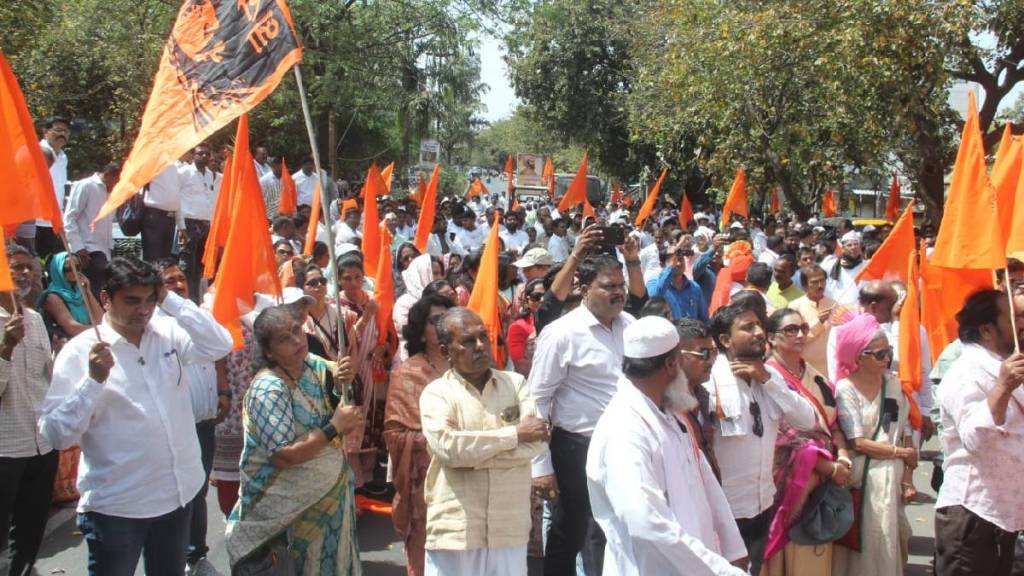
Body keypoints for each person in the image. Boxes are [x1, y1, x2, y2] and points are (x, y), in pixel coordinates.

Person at [39, 257, 234, 575]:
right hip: (118, 508)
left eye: (150, 300)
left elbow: (220, 343)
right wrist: (92, 382)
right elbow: (56, 434)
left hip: (177, 496)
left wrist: (169, 298)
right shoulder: (81, 352)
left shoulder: (167, 330)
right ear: (105, 299)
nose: (143, 310)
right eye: (132, 301)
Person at [587, 316, 748, 575]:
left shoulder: (670, 412)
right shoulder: (624, 429)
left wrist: (733, 549)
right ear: (672, 364)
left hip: (699, 561)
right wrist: (720, 570)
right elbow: (647, 523)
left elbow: (705, 481)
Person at [225, 304, 363, 575]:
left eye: (297, 330)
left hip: (330, 495)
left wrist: (344, 376)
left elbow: (338, 384)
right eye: (284, 339)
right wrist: (334, 427)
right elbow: (283, 455)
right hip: (287, 511)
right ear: (268, 351)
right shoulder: (269, 388)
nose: (297, 340)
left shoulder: (312, 364)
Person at [419, 308, 548, 575]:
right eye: (468, 341)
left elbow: (536, 443)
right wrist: (514, 435)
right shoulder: (437, 394)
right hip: (457, 529)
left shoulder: (516, 384)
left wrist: (473, 454)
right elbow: (449, 450)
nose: (480, 346)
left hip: (508, 526)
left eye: (483, 337)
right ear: (446, 351)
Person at [529, 253, 636, 576]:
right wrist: (540, 466)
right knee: (571, 531)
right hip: (577, 448)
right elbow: (537, 398)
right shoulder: (562, 333)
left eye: (621, 285)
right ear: (584, 287)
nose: (618, 292)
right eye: (608, 286)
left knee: (620, 529)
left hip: (626, 446)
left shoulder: (630, 326)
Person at [704, 301, 818, 576]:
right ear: (725, 340)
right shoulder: (708, 383)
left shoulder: (769, 378)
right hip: (722, 511)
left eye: (759, 325)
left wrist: (767, 379)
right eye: (747, 327)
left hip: (762, 505)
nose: (758, 332)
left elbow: (807, 419)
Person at [934, 290, 1024, 576]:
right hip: (973, 515)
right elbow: (976, 440)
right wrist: (1002, 387)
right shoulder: (966, 372)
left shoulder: (1004, 366)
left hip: (1004, 516)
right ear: (987, 329)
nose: (1021, 322)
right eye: (1014, 317)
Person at [152, 257, 230, 576]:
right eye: (169, 282)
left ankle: (196, 556)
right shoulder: (153, 323)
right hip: (173, 428)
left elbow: (219, 350)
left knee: (198, 491)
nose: (178, 285)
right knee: (177, 493)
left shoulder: (195, 315)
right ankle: (173, 557)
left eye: (181, 279)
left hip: (204, 421)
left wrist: (222, 392)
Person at [763, 308, 853, 576]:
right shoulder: (767, 379)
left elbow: (834, 424)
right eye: (790, 330)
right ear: (771, 338)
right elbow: (785, 439)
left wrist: (844, 457)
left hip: (823, 481)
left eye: (802, 328)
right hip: (789, 481)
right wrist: (830, 469)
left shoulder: (817, 377)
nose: (800, 334)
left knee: (815, 552)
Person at [831, 314, 915, 576]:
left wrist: (908, 480)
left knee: (891, 541)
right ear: (858, 356)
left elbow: (899, 431)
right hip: (863, 478)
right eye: (879, 354)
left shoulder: (892, 385)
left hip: (892, 475)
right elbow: (858, 442)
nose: (887, 359)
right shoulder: (846, 389)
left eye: (888, 352)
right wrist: (900, 453)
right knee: (864, 543)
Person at [384, 294, 455, 576]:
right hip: (427, 490)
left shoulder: (471, 368)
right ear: (421, 333)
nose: (442, 327)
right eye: (435, 321)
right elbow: (395, 433)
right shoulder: (408, 374)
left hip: (472, 481)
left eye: (447, 320)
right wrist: (446, 440)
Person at [0, 243, 58, 576]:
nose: (23, 273)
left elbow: (46, 381)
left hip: (40, 444)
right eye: (14, 267)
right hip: (5, 450)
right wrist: (5, 349)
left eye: (28, 267)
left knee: (30, 532)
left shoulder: (35, 319)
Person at [63, 161, 121, 298]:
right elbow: (69, 218)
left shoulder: (111, 192)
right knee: (94, 290)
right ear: (108, 175)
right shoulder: (86, 186)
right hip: (88, 249)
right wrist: (78, 248)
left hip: (105, 249)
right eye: (118, 181)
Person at [179, 143, 222, 302]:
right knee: (186, 264)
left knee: (199, 266)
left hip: (206, 224)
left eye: (206, 154)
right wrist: (180, 225)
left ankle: (195, 299)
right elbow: (176, 197)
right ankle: (185, 299)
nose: (204, 156)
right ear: (193, 155)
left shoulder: (211, 175)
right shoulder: (183, 173)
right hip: (188, 223)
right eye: (200, 153)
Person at [38, 251, 104, 342]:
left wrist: (88, 292)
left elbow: (100, 320)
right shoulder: (52, 296)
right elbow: (72, 328)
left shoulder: (81, 291)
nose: (74, 272)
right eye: (68, 269)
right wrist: (101, 331)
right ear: (57, 270)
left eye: (77, 267)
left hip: (92, 340)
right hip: (70, 344)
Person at [646, 235, 708, 322]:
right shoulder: (653, 283)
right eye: (673, 260)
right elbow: (656, 296)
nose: (678, 264)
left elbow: (704, 318)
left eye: (680, 259)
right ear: (662, 264)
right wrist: (670, 268)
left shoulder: (694, 287)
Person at [787, 264, 834, 377]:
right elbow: (792, 339)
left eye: (822, 281)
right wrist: (819, 323)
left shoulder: (834, 305)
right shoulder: (795, 306)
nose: (820, 285)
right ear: (804, 286)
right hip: (806, 369)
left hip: (831, 366)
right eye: (814, 282)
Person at [36, 116, 71, 258]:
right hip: (33, 220)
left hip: (53, 221)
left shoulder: (63, 157)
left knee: (49, 263)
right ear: (46, 132)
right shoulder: (37, 152)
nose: (62, 134)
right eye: (58, 130)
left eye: (66, 132)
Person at [142, 161, 188, 261]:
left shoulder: (175, 167)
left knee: (165, 261)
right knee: (153, 259)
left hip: (170, 219)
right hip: (154, 217)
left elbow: (176, 197)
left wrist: (181, 226)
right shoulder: (151, 164)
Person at [395, 253, 437, 360]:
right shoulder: (404, 303)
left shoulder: (442, 298)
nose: (439, 278)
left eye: (441, 273)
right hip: (411, 355)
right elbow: (407, 332)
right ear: (421, 274)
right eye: (434, 273)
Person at [302, 263, 342, 360]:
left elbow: (350, 350)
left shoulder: (340, 313)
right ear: (302, 289)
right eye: (312, 283)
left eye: (322, 281)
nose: (319, 285)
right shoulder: (300, 320)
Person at [508, 278, 545, 375]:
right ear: (526, 301)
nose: (542, 300)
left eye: (546, 295)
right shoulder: (518, 327)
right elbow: (521, 366)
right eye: (536, 296)